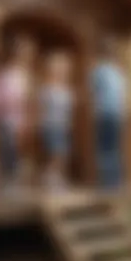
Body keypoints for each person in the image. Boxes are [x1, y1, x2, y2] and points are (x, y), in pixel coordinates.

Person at [0, 33, 36, 194]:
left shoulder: (27, 75)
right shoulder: (4, 73)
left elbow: (29, 99)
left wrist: (29, 119)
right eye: (23, 51)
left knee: (18, 151)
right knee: (7, 149)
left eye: (28, 52)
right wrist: (3, 109)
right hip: (5, 118)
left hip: (20, 119)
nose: (25, 55)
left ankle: (15, 184)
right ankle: (5, 184)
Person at [91, 38, 127, 190]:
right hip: (117, 115)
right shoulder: (118, 73)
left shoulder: (99, 71)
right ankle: (116, 182)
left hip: (105, 114)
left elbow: (91, 90)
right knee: (114, 149)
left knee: (105, 149)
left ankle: (109, 184)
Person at [40, 51, 74, 192]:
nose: (61, 71)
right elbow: (42, 109)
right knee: (56, 153)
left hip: (63, 125)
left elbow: (69, 110)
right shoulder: (47, 89)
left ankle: (55, 179)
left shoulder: (66, 89)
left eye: (64, 68)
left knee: (63, 154)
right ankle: (50, 179)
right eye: (58, 68)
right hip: (51, 125)